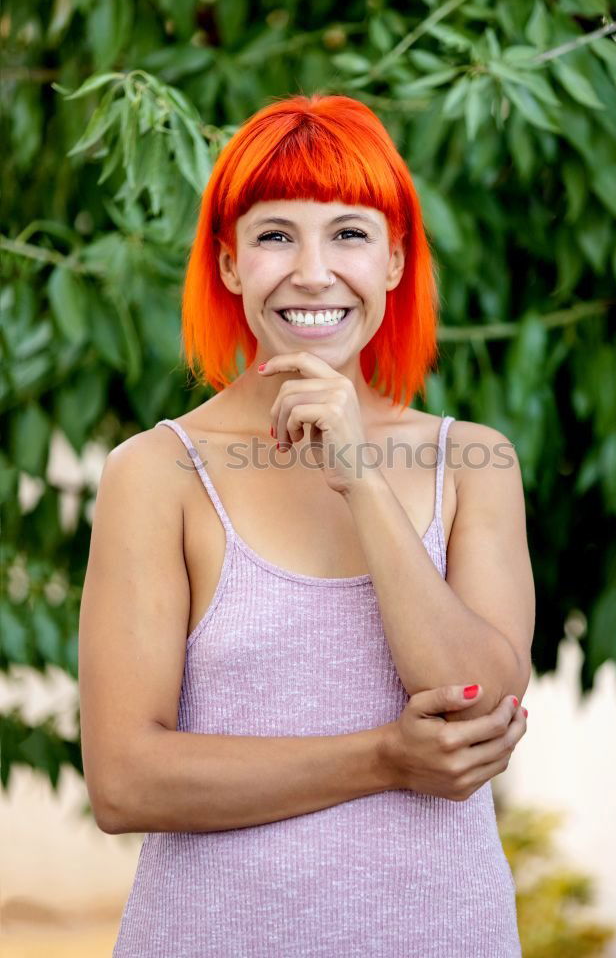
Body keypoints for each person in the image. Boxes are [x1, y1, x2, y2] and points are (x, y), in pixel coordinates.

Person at [78, 93, 534, 957]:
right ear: (228, 264)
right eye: (276, 235)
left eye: (350, 234)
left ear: (395, 262)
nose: (314, 271)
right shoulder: (155, 471)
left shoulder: (474, 462)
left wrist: (360, 477)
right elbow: (126, 782)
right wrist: (382, 759)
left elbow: (479, 708)